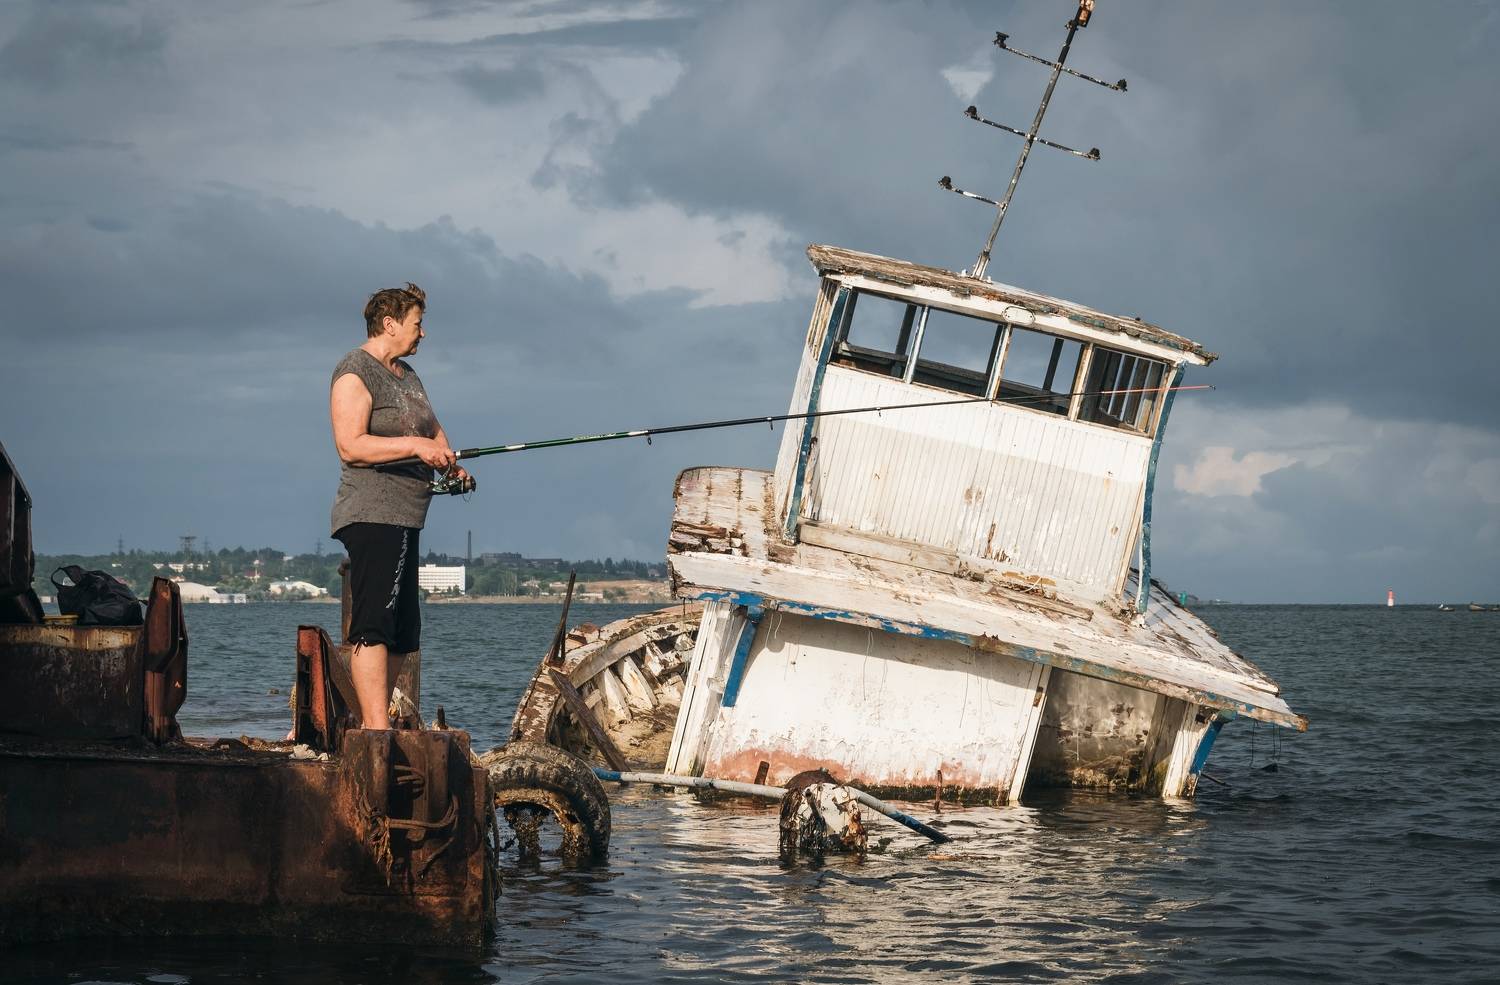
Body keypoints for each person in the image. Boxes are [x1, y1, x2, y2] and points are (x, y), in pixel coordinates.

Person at [329, 283, 470, 729]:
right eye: (417, 324)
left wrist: (450, 466)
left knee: (404, 632)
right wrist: (414, 445)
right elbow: (350, 446)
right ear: (389, 324)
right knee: (374, 625)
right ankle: (375, 730)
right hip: (372, 514)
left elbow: (433, 433)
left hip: (408, 516)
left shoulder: (409, 377)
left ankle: (377, 719)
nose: (422, 333)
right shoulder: (355, 372)